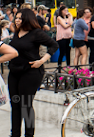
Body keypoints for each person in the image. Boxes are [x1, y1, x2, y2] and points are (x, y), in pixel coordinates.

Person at [8, 9, 58, 137]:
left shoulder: (36, 33)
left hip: (31, 72)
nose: (17, 20)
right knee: (15, 104)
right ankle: (15, 134)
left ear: (27, 19)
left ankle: (29, 135)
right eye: (16, 18)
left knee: (26, 105)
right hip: (14, 72)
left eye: (20, 18)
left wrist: (41, 61)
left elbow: (54, 45)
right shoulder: (17, 32)